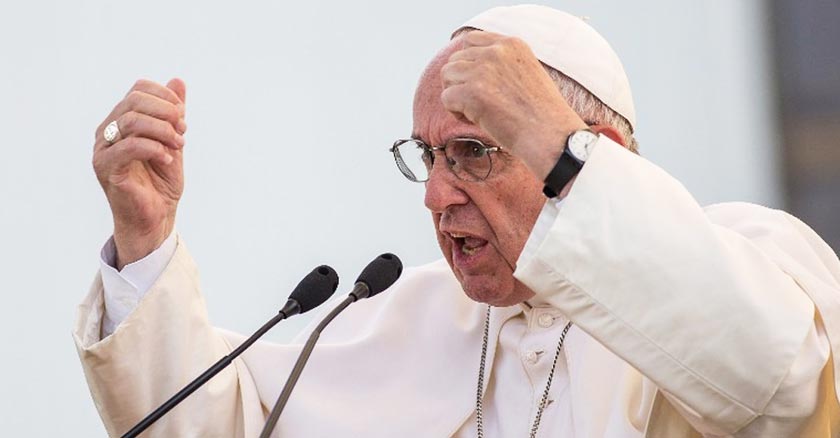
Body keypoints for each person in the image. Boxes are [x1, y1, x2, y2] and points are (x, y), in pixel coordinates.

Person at [75, 5, 840, 437]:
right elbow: (214, 426)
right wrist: (144, 236)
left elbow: (782, 386)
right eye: (428, 156)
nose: (436, 197)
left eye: (475, 151)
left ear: (596, 155)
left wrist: (561, 158)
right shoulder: (402, 318)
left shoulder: (748, 254)